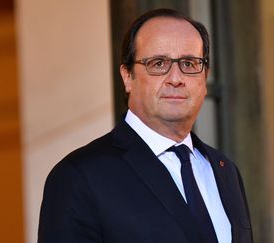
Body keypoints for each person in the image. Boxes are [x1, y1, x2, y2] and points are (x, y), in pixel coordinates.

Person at [38, 8, 253, 243]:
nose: (176, 78)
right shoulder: (79, 177)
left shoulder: (225, 171)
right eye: (159, 63)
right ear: (127, 76)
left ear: (205, 77)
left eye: (190, 64)